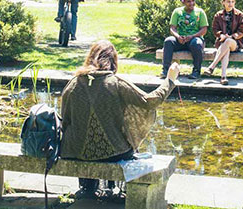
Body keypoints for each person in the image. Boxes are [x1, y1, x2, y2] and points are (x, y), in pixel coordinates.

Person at [61, 40, 179, 200]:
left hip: (76, 153)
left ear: (89, 58)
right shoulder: (115, 83)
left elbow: (66, 120)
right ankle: (115, 189)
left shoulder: (73, 84)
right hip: (113, 154)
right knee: (123, 143)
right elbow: (150, 101)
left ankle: (88, 187)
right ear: (113, 61)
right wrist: (170, 80)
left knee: (87, 139)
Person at [161, 0, 208, 80]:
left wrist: (192, 36)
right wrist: (178, 36)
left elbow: (204, 29)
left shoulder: (200, 12)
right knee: (168, 41)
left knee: (197, 43)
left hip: (194, 39)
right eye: (188, 1)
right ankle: (165, 70)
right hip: (181, 40)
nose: (191, 3)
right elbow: (172, 27)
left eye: (193, 1)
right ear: (183, 2)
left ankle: (196, 71)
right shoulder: (177, 12)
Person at [203, 0, 243, 85]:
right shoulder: (218, 15)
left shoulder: (239, 15)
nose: (230, 4)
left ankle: (212, 66)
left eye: (232, 2)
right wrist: (220, 35)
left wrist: (232, 36)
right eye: (228, 2)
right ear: (223, 2)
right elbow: (215, 29)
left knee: (228, 42)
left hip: (235, 43)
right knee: (225, 49)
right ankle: (223, 77)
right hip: (222, 43)